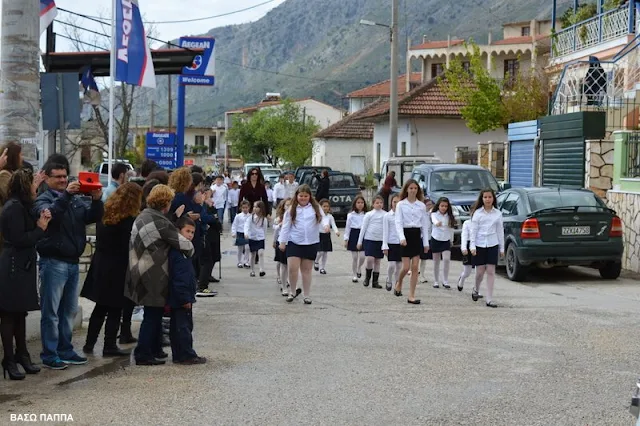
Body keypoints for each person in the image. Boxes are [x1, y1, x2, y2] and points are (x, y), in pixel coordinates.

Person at [34, 162, 104, 369]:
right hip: (53, 261)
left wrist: (97, 200)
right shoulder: (43, 199)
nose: (63, 180)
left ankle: (65, 349)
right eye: (58, 177)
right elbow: (50, 215)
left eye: (65, 176)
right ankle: (49, 354)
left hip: (72, 261)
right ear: (47, 178)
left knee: (68, 311)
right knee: (51, 312)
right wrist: (66, 195)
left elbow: (91, 217)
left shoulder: (74, 199)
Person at [126, 184, 195, 366]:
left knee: (153, 313)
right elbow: (186, 245)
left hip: (138, 271)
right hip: (153, 274)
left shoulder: (143, 216)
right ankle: (143, 353)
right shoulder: (160, 222)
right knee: (152, 316)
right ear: (165, 202)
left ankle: (154, 349)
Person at [0, 170, 51, 380]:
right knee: (8, 314)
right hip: (13, 265)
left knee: (20, 312)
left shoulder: (21, 204)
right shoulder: (13, 207)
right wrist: (40, 228)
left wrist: (35, 191)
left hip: (22, 264)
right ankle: (9, 359)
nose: (35, 187)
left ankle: (22, 354)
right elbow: (19, 238)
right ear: (24, 186)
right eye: (32, 184)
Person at [81, 183, 142, 357]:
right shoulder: (128, 220)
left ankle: (89, 344)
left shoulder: (106, 213)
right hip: (118, 266)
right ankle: (109, 345)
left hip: (101, 264)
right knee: (115, 308)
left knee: (100, 307)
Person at [168, 216, 206, 365]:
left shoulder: (184, 250)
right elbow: (180, 278)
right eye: (187, 231)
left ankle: (179, 354)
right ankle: (186, 354)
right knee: (183, 327)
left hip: (181, 295)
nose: (190, 235)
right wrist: (185, 298)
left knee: (179, 326)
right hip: (181, 297)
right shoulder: (179, 252)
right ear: (179, 231)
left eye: (192, 232)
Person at [278, 184, 324, 305]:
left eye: (305, 196)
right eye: (301, 196)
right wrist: (282, 242)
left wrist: (325, 226)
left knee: (306, 270)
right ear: (297, 196)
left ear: (309, 196)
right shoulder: (291, 210)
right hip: (294, 242)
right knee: (292, 269)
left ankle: (306, 295)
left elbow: (323, 219)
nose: (303, 198)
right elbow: (286, 226)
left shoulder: (315, 208)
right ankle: (292, 292)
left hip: (310, 242)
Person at [394, 179, 430, 305]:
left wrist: (426, 243)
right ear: (407, 189)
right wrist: (401, 237)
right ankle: (399, 282)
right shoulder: (401, 204)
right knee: (406, 267)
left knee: (415, 267)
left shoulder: (421, 205)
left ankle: (411, 295)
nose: (413, 190)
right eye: (411, 188)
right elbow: (398, 222)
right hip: (406, 234)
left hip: (416, 235)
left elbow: (424, 225)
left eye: (415, 188)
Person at [469, 189, 504, 308]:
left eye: (490, 197)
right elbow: (473, 231)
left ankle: (489, 299)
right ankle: (476, 288)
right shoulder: (477, 213)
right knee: (480, 272)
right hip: (479, 244)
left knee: (490, 271)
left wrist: (502, 248)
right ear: (482, 199)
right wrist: (472, 245)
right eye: (485, 197)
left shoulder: (498, 214)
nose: (488, 199)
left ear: (493, 198)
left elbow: (500, 232)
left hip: (492, 244)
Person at [357, 195, 386, 289]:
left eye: (381, 203)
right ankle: (367, 277)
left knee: (377, 261)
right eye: (377, 203)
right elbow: (363, 228)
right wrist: (359, 241)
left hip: (380, 240)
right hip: (369, 239)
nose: (379, 204)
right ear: (373, 204)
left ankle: (375, 281)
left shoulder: (385, 215)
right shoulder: (369, 214)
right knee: (370, 259)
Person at [430, 197, 455, 289]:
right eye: (442, 206)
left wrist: (451, 240)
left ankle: (445, 280)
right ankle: (436, 281)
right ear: (438, 206)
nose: (444, 208)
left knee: (446, 259)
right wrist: (437, 223)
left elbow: (451, 229)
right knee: (436, 261)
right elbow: (434, 220)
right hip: (436, 238)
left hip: (446, 239)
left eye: (445, 206)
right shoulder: (434, 214)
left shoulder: (450, 216)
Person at [344, 195, 367, 283]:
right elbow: (347, 228)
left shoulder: (366, 215)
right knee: (354, 257)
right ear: (355, 204)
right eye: (358, 203)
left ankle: (359, 267)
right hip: (353, 234)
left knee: (362, 256)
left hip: (363, 235)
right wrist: (346, 239)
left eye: (362, 202)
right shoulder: (350, 215)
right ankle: (354, 275)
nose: (360, 204)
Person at [314, 199, 340, 275]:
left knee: (325, 252)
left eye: (327, 206)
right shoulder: (318, 216)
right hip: (319, 235)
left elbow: (333, 225)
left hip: (327, 235)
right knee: (320, 251)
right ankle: (316, 261)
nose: (325, 208)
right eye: (324, 206)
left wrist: (336, 231)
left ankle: (322, 268)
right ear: (320, 207)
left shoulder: (330, 216)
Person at [382, 195, 402, 292]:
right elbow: (385, 231)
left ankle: (397, 285)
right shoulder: (387, 216)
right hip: (391, 243)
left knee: (399, 266)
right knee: (392, 265)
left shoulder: (403, 215)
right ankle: (389, 279)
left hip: (401, 243)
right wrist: (385, 245)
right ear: (391, 203)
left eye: (398, 202)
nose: (396, 204)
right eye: (394, 202)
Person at [244, 201, 268, 278]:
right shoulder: (250, 217)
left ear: (261, 208)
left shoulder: (264, 219)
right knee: (253, 254)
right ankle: (252, 270)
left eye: (257, 207)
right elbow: (246, 226)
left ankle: (261, 270)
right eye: (254, 206)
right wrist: (246, 233)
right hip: (252, 237)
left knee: (261, 253)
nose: (255, 208)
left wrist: (264, 237)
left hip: (260, 238)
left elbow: (265, 229)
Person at [273, 198, 291, 295]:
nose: (289, 207)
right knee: (281, 263)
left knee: (289, 264)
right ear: (283, 207)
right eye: (287, 205)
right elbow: (275, 230)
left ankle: (288, 281)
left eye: (290, 205)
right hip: (281, 242)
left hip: (291, 243)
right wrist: (274, 241)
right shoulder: (279, 218)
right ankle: (280, 279)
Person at [418, 199, 434, 284]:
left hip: (428, 238)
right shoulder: (420, 214)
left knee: (424, 258)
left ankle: (422, 275)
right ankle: (413, 271)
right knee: (416, 257)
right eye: (427, 205)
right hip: (419, 238)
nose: (429, 206)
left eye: (430, 204)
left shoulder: (432, 215)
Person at [232, 200, 251, 268]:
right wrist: (233, 232)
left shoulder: (250, 216)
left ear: (249, 207)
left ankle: (246, 261)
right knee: (240, 248)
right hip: (240, 232)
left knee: (247, 248)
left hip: (247, 234)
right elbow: (234, 225)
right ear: (241, 208)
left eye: (246, 207)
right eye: (243, 208)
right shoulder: (238, 216)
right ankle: (239, 262)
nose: (245, 209)